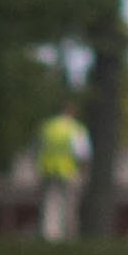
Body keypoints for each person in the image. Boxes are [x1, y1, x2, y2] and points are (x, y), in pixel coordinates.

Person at [35, 100, 91, 242]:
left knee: (50, 205)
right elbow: (82, 153)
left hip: (48, 170)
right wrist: (84, 172)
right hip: (69, 171)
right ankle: (68, 236)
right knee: (69, 206)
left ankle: (50, 237)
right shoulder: (75, 129)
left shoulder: (48, 127)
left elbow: (37, 148)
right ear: (72, 112)